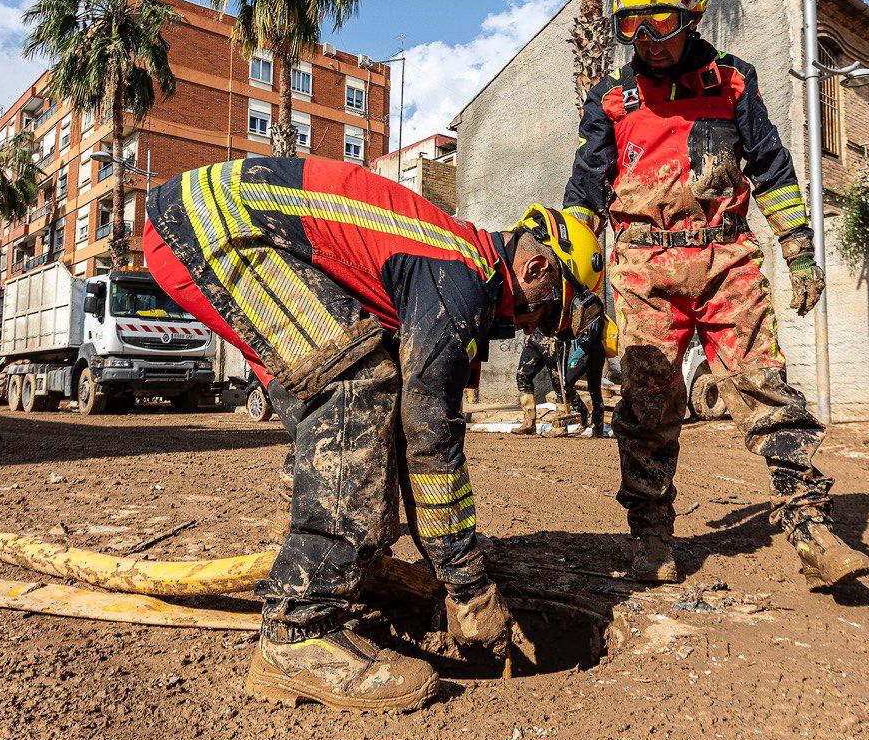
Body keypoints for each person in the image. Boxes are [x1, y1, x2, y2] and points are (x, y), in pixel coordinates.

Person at [145, 156, 604, 711]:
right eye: (547, 314)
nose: (532, 330)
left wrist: (450, 566)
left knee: (362, 390)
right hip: (212, 224)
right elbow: (430, 440)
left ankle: (334, 567)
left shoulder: (459, 269)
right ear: (534, 269)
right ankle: (299, 630)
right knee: (358, 380)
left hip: (213, 220)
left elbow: (414, 431)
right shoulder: (457, 280)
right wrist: (467, 585)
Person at [563, 0, 869, 590]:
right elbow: (584, 193)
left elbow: (773, 168)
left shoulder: (732, 82)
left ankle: (810, 526)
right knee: (648, 406)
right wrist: (575, 281)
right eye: (632, 24)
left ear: (694, 17)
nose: (647, 39)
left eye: (662, 22)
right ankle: (652, 533)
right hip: (643, 272)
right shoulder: (611, 99)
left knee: (765, 388)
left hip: (726, 261)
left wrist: (799, 250)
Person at [510, 328, 583, 436]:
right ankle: (529, 424)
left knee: (559, 382)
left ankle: (562, 425)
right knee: (522, 375)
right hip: (537, 335)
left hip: (556, 336)